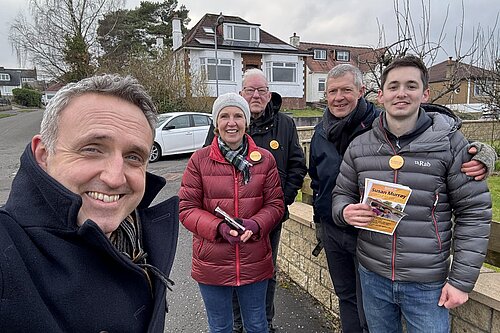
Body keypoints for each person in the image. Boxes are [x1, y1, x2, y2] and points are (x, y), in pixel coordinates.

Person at [309, 64, 496, 333]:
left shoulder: (450, 143)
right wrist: (341, 211)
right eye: (394, 87)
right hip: (371, 267)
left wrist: (461, 281)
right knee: (349, 303)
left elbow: (474, 213)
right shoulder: (342, 138)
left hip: (425, 281)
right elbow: (333, 189)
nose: (401, 94)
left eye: (411, 86)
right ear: (382, 95)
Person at [0, 74, 179, 332]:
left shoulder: (138, 239)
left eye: (133, 156)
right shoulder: (8, 248)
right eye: (92, 149)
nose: (115, 178)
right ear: (43, 155)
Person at [205, 68, 307, 333]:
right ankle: (239, 323)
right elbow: (208, 166)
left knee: (265, 272)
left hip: (267, 219)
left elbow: (297, 165)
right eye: (250, 90)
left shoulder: (284, 124)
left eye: (261, 90)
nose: (256, 95)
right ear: (241, 93)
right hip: (229, 219)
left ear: (269, 93)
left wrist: (280, 203)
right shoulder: (225, 126)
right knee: (233, 271)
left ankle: (263, 322)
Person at [179, 92, 285, 333]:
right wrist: (218, 227)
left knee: (258, 325)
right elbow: (187, 209)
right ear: (216, 123)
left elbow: (276, 205)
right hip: (212, 262)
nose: (231, 122)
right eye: (224, 116)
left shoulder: (265, 160)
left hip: (254, 259)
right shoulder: (199, 160)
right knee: (220, 327)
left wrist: (256, 224)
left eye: (238, 115)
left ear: (246, 122)